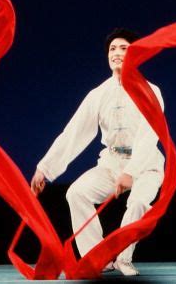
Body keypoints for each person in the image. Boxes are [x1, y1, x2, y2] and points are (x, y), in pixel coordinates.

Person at [30, 28, 165, 277]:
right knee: (77, 193)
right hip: (112, 162)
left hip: (146, 164)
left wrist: (132, 172)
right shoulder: (98, 94)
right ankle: (98, 257)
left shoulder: (151, 91)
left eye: (124, 48)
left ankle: (124, 258)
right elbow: (74, 133)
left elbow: (150, 136)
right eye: (113, 49)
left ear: (136, 53)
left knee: (137, 203)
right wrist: (44, 169)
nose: (117, 53)